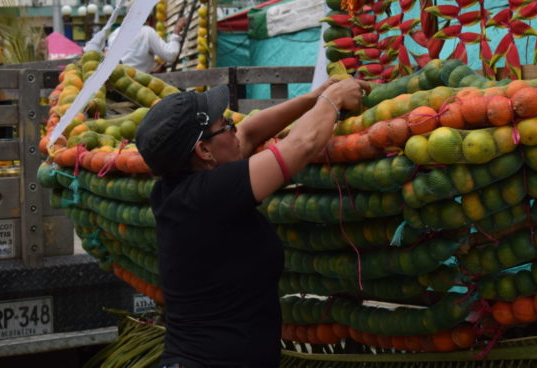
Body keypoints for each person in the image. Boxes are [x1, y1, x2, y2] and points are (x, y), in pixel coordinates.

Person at [135, 77, 370, 368]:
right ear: (204, 151)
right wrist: (333, 101)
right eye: (226, 125)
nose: (236, 128)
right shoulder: (209, 195)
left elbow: (247, 134)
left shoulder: (179, 188)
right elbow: (303, 144)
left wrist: (313, 98)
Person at [107, 16, 188, 73]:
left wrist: (152, 68)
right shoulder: (147, 32)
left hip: (119, 83)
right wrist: (176, 31)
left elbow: (130, 60)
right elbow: (171, 55)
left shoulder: (114, 34)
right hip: (138, 86)